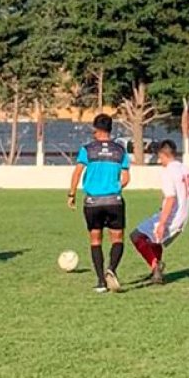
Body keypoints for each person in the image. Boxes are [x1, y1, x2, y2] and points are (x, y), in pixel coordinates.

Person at [130, 139, 189, 284]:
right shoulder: (186, 169)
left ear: (164, 154)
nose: (158, 160)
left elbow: (170, 198)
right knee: (155, 240)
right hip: (182, 218)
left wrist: (162, 223)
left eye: (159, 156)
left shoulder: (168, 171)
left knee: (136, 236)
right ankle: (157, 273)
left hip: (171, 217)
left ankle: (155, 266)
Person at [67, 113, 131, 293]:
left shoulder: (87, 150)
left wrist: (71, 194)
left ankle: (101, 281)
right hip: (114, 201)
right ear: (111, 129)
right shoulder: (120, 151)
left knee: (96, 240)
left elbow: (77, 173)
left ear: (95, 129)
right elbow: (126, 178)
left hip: (92, 202)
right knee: (117, 238)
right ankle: (112, 269)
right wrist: (115, 187)